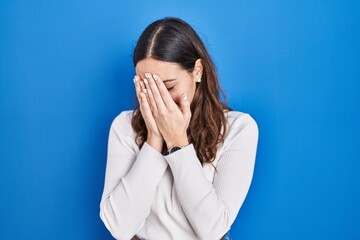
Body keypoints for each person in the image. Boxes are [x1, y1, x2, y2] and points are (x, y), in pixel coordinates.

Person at [99, 17, 259, 240]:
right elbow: (120, 228)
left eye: (168, 87)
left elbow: (213, 230)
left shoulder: (239, 129)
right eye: (148, 88)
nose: (160, 99)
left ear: (197, 71)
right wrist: (154, 139)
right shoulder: (125, 127)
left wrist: (177, 143)